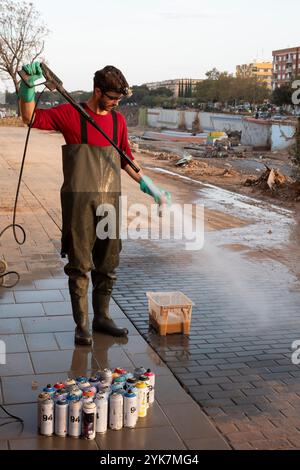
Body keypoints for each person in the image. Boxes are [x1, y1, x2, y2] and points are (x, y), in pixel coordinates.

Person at [19, 62, 170, 346]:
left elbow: (125, 158)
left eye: (118, 100)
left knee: (108, 262)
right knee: (79, 265)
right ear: (97, 90)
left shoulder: (118, 122)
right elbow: (30, 118)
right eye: (112, 98)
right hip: (78, 203)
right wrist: (27, 87)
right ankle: (83, 324)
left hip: (110, 202)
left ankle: (102, 317)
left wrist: (149, 186)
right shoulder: (70, 114)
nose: (115, 104)